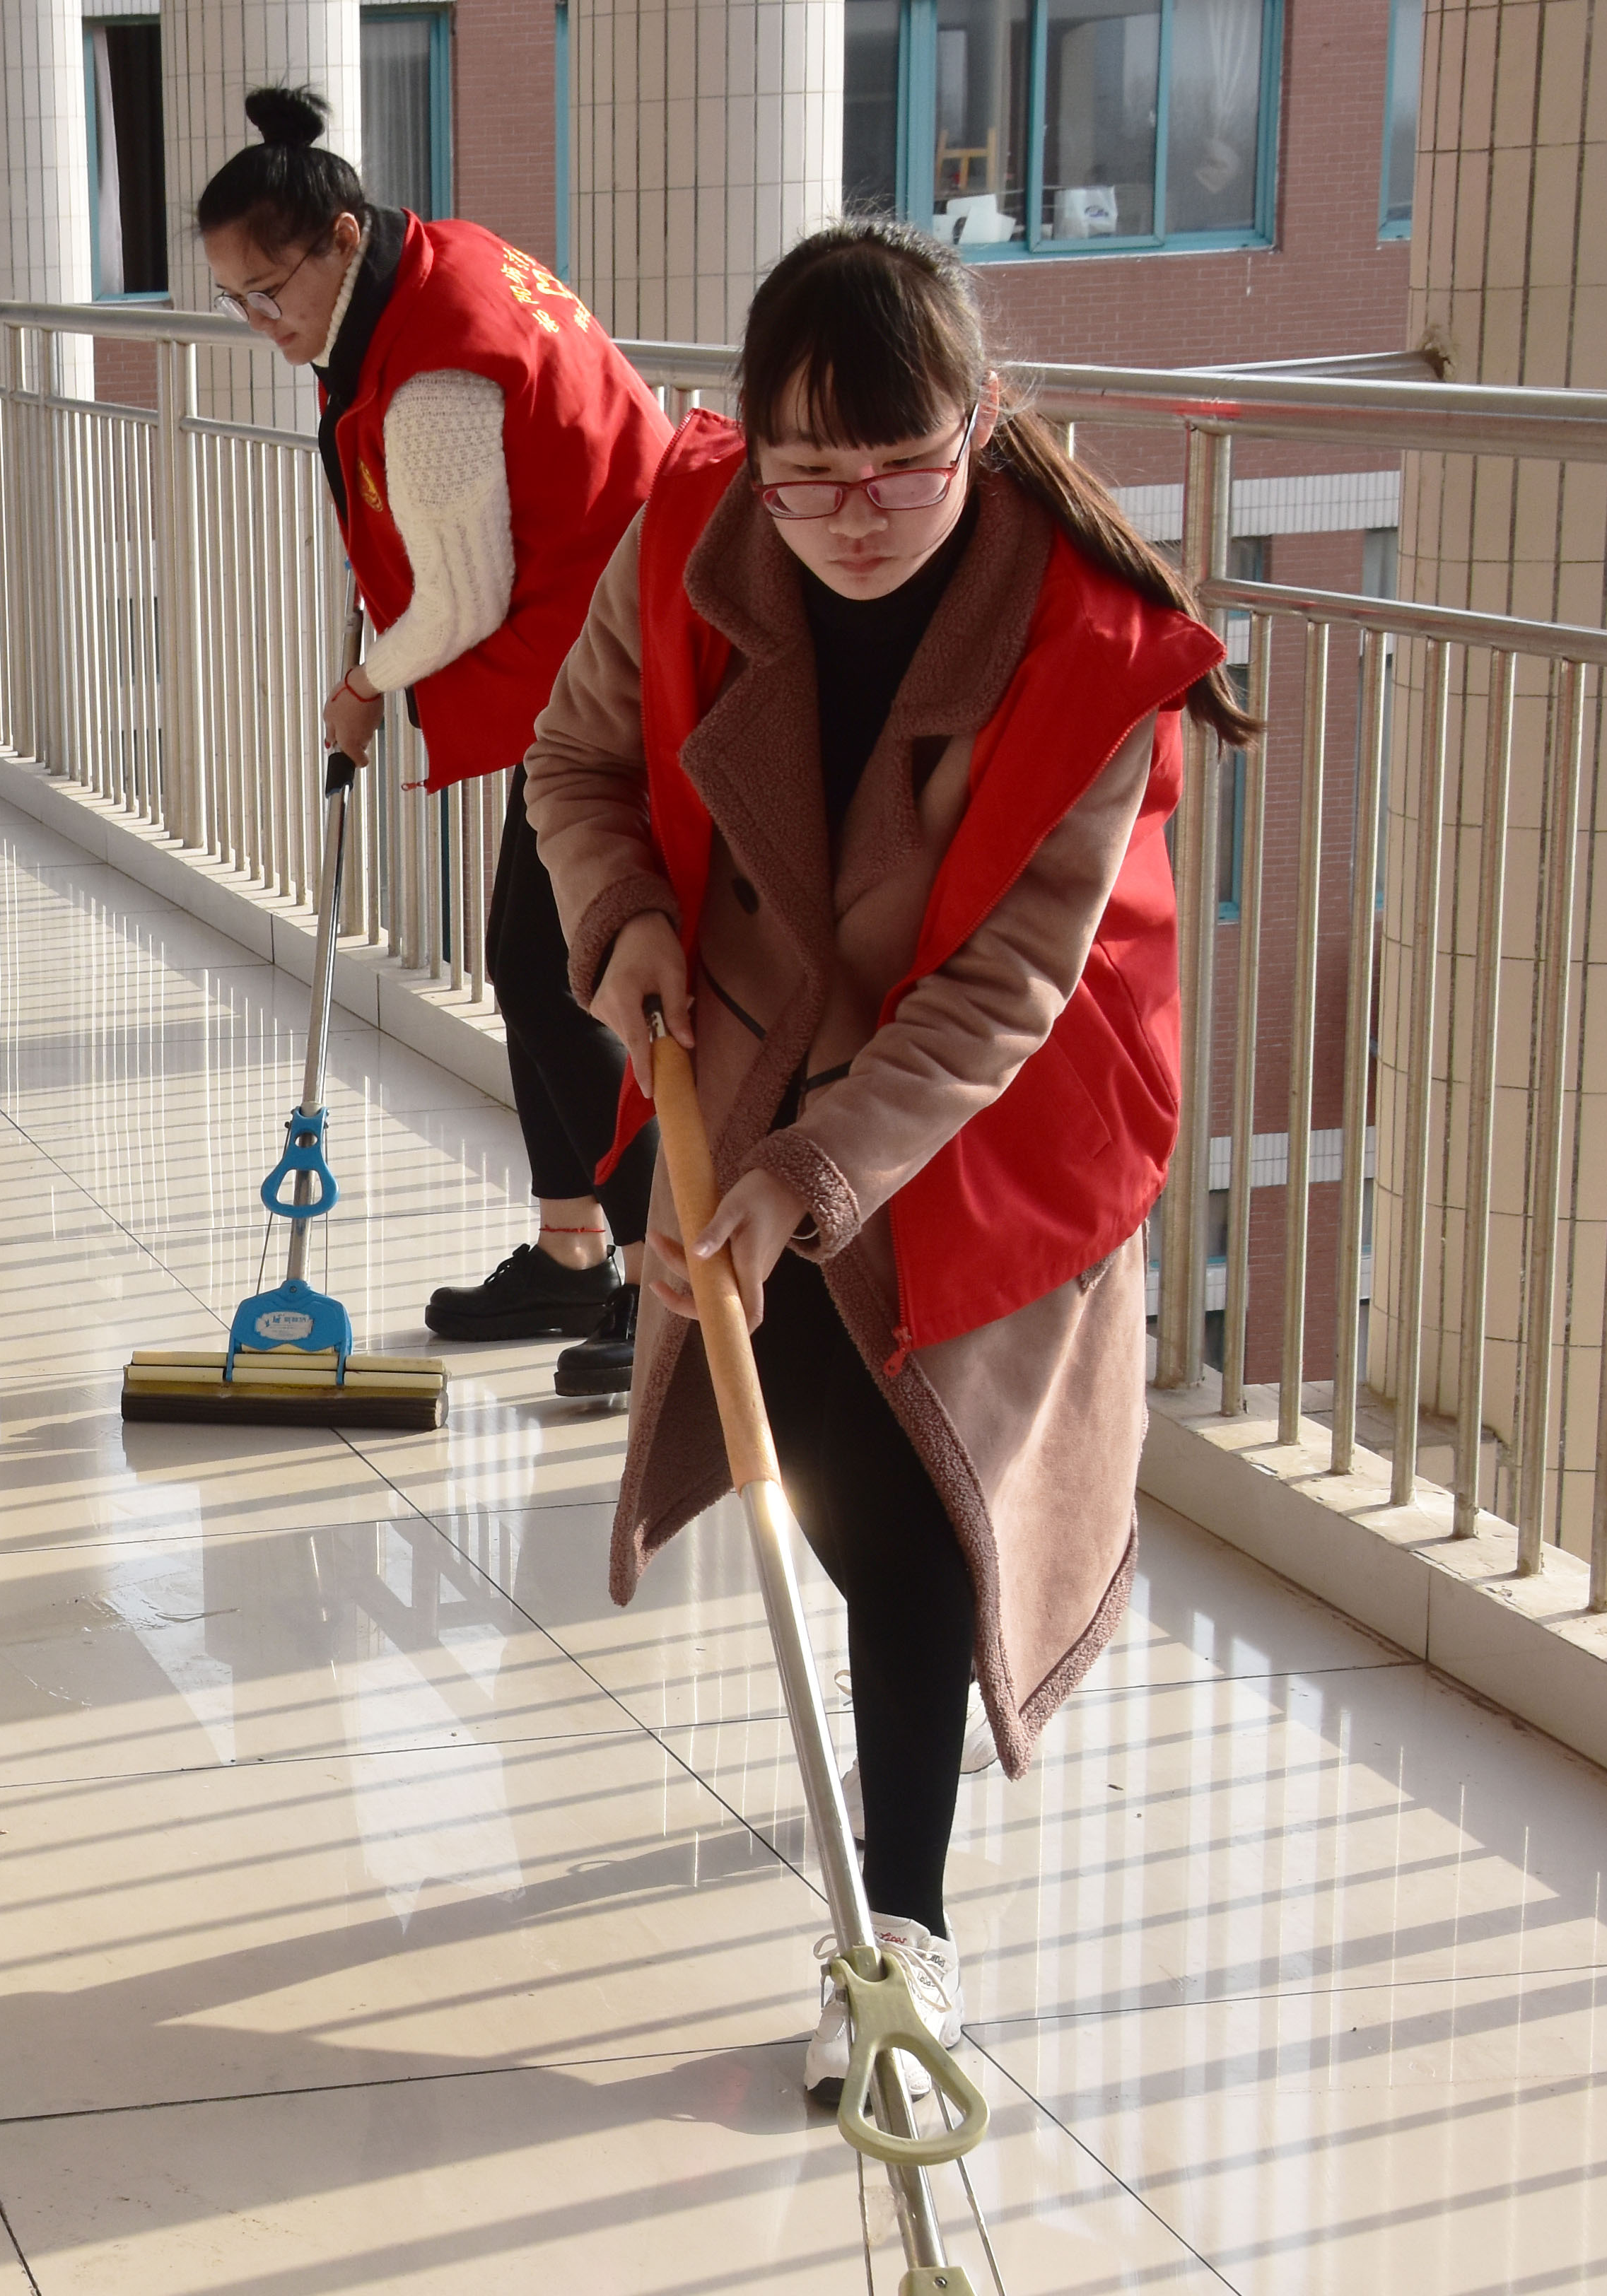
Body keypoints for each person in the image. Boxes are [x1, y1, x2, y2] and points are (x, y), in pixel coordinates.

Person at [522, 221, 1246, 2101]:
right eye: (808, 474)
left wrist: (805, 1182)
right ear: (752, 448)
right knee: (836, 1489)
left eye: (903, 469)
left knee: (929, 1507)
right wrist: (628, 927)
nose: (853, 515)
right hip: (755, 1045)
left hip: (994, 1106)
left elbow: (1008, 985)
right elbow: (574, 762)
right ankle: (887, 1873)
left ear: (981, 422)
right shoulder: (687, 528)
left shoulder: (1088, 642)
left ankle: (897, 1939)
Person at [190, 90, 675, 1405]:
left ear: (343, 238)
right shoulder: (430, 268)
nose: (262, 321)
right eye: (236, 299)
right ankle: (575, 1248)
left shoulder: (440, 365)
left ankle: (660, 1282)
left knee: (549, 963)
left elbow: (458, 600)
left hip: (627, 661)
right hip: (601, 636)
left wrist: (362, 685)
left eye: (272, 286)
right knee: (530, 958)